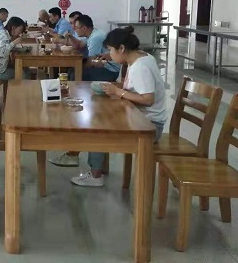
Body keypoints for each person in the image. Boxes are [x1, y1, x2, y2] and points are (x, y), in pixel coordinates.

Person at [71, 26, 167, 187]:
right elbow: (135, 88)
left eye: (111, 50)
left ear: (121, 48)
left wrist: (118, 92)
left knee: (96, 125)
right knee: (100, 114)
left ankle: (95, 175)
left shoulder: (140, 67)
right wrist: (117, 88)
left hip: (149, 126)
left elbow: (148, 99)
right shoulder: (141, 57)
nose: (110, 54)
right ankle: (97, 167)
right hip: (140, 117)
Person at [50, 15, 121, 168]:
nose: (73, 29)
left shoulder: (96, 37)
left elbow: (91, 61)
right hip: (103, 68)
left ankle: (74, 103)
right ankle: (72, 101)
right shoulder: (91, 35)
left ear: (85, 27)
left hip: (108, 72)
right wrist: (71, 38)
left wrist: (77, 67)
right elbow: (78, 46)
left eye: (75, 26)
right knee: (71, 73)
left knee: (74, 75)